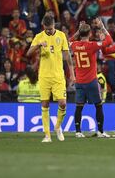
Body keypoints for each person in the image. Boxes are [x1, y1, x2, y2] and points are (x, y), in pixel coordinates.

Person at [26, 14, 75, 143]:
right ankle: (47, 135)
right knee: (45, 104)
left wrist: (72, 74)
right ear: (43, 26)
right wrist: (38, 46)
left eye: (51, 28)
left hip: (58, 75)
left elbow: (67, 56)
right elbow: (28, 53)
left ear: (54, 25)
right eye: (46, 29)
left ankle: (58, 127)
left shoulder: (61, 36)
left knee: (63, 103)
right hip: (44, 76)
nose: (49, 31)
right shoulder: (39, 36)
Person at [71, 21, 111, 138]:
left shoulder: (74, 45)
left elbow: (67, 41)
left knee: (79, 106)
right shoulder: (92, 45)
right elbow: (109, 41)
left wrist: (78, 31)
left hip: (79, 82)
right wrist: (102, 27)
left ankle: (78, 132)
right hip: (91, 81)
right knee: (98, 105)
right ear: (89, 34)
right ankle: (100, 131)